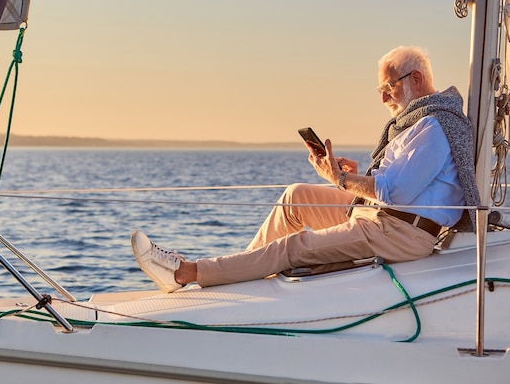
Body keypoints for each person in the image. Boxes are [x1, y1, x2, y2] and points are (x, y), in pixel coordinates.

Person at [131, 45, 480, 293]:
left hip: (403, 233)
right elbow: (398, 183)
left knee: (295, 246)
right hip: (382, 216)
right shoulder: (414, 123)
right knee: (295, 198)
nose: (384, 98)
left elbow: (400, 193)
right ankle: (243, 271)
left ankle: (186, 272)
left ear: (415, 79)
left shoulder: (433, 127)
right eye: (381, 89)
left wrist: (342, 179)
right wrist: (358, 178)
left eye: (388, 87)